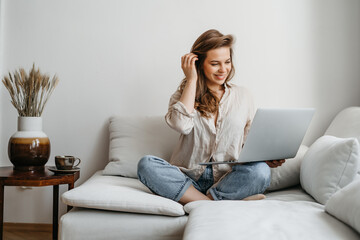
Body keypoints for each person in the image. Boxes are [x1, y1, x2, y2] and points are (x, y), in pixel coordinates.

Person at [137, 29, 285, 205]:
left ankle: (201, 201)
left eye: (227, 62)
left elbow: (248, 143)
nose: (223, 69)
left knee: (261, 171)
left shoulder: (244, 96)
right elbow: (181, 125)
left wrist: (265, 156)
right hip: (187, 180)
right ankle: (217, 202)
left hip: (228, 178)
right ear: (199, 64)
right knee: (146, 164)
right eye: (215, 63)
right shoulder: (182, 96)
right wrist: (191, 79)